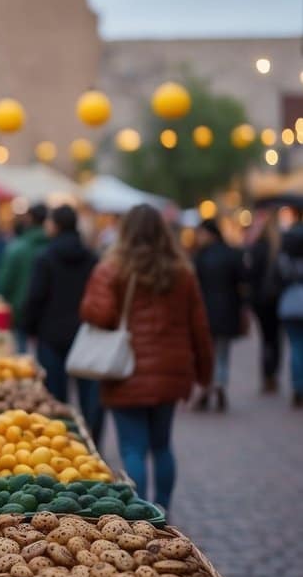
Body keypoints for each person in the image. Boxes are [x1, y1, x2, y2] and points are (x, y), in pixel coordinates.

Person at [79, 204, 212, 512]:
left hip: (125, 372)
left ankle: (141, 511)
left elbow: (96, 314)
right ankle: (162, 506)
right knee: (162, 445)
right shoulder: (182, 272)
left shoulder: (112, 269)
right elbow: (199, 326)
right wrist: (204, 373)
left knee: (132, 448)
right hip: (171, 371)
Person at [20, 205, 103, 445]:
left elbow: (35, 297)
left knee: (56, 397)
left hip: (51, 334)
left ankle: (59, 443)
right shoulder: (92, 258)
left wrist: (30, 328)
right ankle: (90, 443)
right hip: (85, 334)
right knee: (89, 396)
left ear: (55, 226)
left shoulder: (45, 258)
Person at [191, 219, 246, 412]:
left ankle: (208, 388)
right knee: (222, 352)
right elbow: (242, 282)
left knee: (207, 353)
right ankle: (220, 384)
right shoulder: (232, 254)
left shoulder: (201, 256)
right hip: (228, 309)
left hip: (206, 310)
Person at [0, 204, 51, 352]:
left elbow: (4, 283)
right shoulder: (52, 247)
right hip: (50, 315)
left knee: (22, 358)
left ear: (29, 219)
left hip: (21, 310)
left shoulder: (18, 248)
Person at [246, 213, 284, 394]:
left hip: (261, 300)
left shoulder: (258, 248)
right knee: (276, 338)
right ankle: (273, 373)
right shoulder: (279, 248)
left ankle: (267, 374)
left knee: (266, 338)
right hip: (277, 298)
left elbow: (250, 275)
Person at [278, 218, 303, 407]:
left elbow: (277, 279)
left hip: (289, 304)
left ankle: (298, 385)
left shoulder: (284, 259)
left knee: (295, 346)